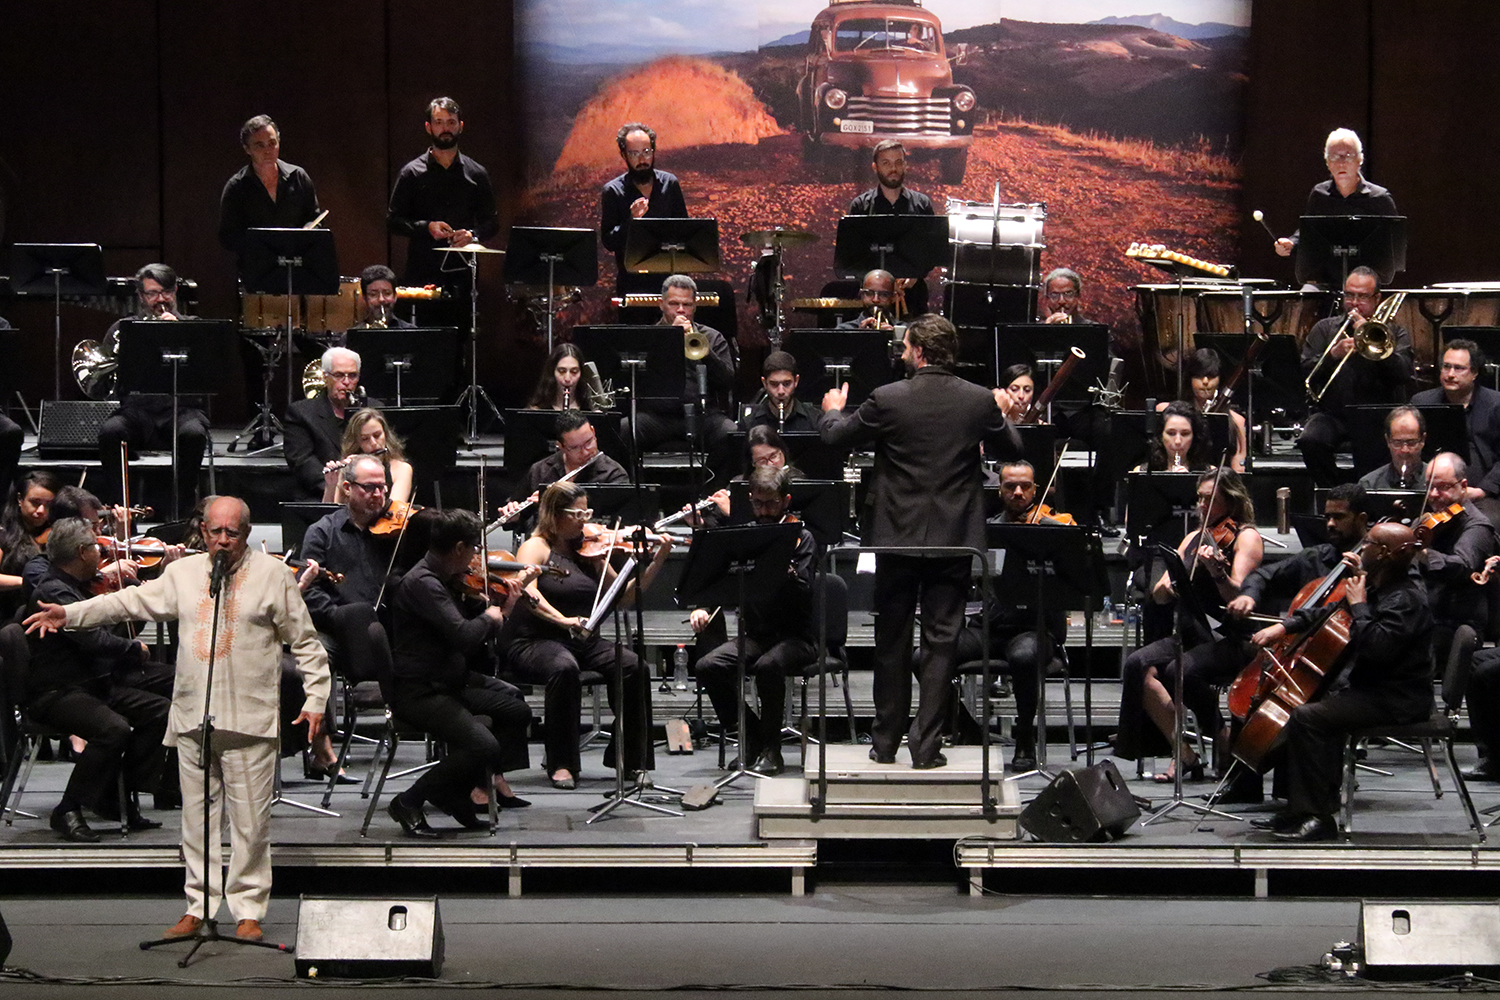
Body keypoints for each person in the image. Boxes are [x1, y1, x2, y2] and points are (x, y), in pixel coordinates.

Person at [25, 496, 331, 942]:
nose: (223, 541)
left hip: (249, 719)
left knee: (250, 823)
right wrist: (69, 613)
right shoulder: (184, 573)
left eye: (232, 533)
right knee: (197, 819)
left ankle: (247, 911)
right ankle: (199, 905)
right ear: (203, 531)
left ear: (247, 534)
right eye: (215, 532)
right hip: (193, 716)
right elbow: (129, 603)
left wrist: (317, 698)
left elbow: (306, 643)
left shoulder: (272, 577)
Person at [819, 314, 1021, 768]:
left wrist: (832, 406)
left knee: (891, 639)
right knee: (940, 642)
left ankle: (885, 742)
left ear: (920, 352)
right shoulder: (975, 401)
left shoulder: (888, 398)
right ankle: (927, 746)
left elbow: (834, 437)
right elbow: (1013, 452)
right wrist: (1002, 415)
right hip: (954, 540)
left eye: (907, 347)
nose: (903, 353)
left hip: (896, 538)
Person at [1248, 522, 1431, 841]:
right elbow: (1328, 612)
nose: (1362, 549)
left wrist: (1359, 606)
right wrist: (1285, 627)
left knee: (1309, 718)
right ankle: (1299, 810)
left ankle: (1319, 817)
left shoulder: (1406, 599)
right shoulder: (1377, 587)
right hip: (1372, 691)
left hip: (1398, 699)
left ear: (1384, 554)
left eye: (1369, 544)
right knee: (1309, 708)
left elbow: (1378, 649)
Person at [510, 482, 673, 788]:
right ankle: (562, 763)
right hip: (535, 639)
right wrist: (564, 621)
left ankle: (631, 760)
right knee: (564, 667)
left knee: (634, 667)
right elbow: (528, 593)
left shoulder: (590, 551)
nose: (586, 520)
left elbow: (624, 597)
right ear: (555, 514)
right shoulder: (536, 547)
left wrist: (658, 559)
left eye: (589, 512)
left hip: (581, 638)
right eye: (578, 513)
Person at [384, 509, 535, 836]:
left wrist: (502, 610)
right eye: (473, 548)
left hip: (448, 682)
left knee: (517, 711)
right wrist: (490, 617)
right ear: (457, 548)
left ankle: (451, 790)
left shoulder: (445, 579)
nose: (476, 556)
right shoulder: (424, 583)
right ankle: (409, 801)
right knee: (484, 746)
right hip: (419, 690)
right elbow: (465, 637)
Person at [1222, 482, 1375, 802]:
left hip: (1352, 659)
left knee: (1310, 699)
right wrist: (1250, 595)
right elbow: (1264, 575)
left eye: (1340, 517)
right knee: (1251, 691)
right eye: (1327, 516)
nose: (1330, 524)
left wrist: (1367, 578)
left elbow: (1364, 620)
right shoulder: (1315, 558)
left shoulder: (1377, 564)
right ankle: (1244, 786)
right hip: (1305, 654)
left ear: (1362, 519)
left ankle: (1300, 794)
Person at [23, 517, 171, 842]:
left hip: (91, 685)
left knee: (162, 712)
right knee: (112, 728)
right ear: (81, 551)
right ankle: (69, 807)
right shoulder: (53, 592)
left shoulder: (80, 585)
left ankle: (113, 794)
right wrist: (134, 648)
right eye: (96, 545)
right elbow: (93, 639)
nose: (101, 551)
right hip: (56, 692)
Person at [1112, 469, 1263, 778]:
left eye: (1211, 499)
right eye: (1200, 498)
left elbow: (1239, 597)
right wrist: (1171, 584)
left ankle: (1221, 737)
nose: (1201, 506)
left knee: (1176, 670)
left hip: (1232, 636)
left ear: (1230, 501)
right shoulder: (1194, 537)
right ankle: (1183, 752)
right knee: (1137, 664)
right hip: (1196, 632)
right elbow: (1160, 594)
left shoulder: (1247, 538)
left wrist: (1217, 571)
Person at [689, 465, 817, 776]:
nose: (764, 511)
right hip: (757, 634)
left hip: (797, 637)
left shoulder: (801, 537)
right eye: (758, 503)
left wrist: (784, 574)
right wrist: (705, 605)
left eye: (771, 503)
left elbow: (806, 592)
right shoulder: (745, 536)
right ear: (750, 499)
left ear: (785, 500)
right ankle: (752, 736)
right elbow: (723, 577)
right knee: (708, 666)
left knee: (768, 666)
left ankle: (772, 749)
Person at [954, 461, 1073, 770]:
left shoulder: (1052, 530)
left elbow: (1075, 574)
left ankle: (1024, 737)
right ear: (1000, 489)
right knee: (925, 655)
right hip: (992, 626)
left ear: (1035, 489)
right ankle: (967, 727)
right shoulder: (988, 531)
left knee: (1023, 656)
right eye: (1010, 486)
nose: (1018, 492)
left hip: (1035, 629)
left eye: (1025, 486)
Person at [95, 264, 210, 516]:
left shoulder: (195, 326)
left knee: (193, 433)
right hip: (138, 411)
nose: (160, 299)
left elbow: (207, 374)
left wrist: (176, 332)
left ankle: (181, 513)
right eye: (152, 293)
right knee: (110, 432)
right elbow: (108, 381)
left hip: (183, 410)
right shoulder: (124, 329)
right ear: (141, 297)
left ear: (176, 291)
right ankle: (122, 512)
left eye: (166, 291)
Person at [1297, 266, 1413, 486]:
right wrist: (1332, 355)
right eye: (1349, 295)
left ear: (1377, 298)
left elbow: (1403, 373)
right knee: (1311, 440)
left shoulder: (1394, 332)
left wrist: (1374, 344)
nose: (1354, 302)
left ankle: (1367, 498)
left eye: (1362, 296)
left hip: (1377, 414)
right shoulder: (1324, 329)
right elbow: (1305, 372)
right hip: (1333, 413)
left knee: (1374, 453)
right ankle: (1333, 491)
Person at [621, 275, 737, 480]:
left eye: (687, 304)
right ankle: (636, 493)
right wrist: (668, 340)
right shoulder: (648, 337)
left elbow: (727, 381)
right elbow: (637, 381)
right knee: (624, 429)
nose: (681, 310)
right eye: (674, 303)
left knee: (730, 432)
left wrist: (705, 352)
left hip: (701, 415)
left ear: (695, 307)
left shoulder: (712, 337)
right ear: (662, 304)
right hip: (657, 417)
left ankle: (713, 494)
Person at [387, 97, 499, 288]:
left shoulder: (477, 173)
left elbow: (492, 222)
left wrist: (472, 234)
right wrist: (427, 227)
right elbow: (393, 221)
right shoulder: (411, 172)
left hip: (462, 272)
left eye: (451, 122)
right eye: (439, 122)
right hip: (422, 268)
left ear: (460, 126)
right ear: (428, 127)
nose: (445, 128)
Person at [217, 114, 321, 278]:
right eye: (259, 145)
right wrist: (262, 245)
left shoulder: (298, 176)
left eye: (272, 143)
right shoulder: (237, 187)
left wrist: (307, 231)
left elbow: (314, 218)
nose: (268, 150)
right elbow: (228, 236)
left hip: (297, 269)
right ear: (247, 149)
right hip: (257, 272)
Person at [1274, 129, 1399, 259]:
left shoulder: (1379, 198)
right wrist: (1291, 243)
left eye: (1348, 156)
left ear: (1360, 159)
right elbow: (1308, 232)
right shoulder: (1319, 194)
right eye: (1334, 157)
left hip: (1366, 275)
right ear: (1327, 162)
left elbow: (1394, 245)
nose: (1341, 163)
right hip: (1327, 275)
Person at [499, 411, 630, 530]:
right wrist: (513, 516)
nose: (585, 451)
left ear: (593, 431)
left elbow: (617, 525)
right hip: (546, 547)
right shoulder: (540, 470)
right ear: (561, 446)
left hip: (593, 549)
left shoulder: (614, 474)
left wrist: (554, 504)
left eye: (588, 442)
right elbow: (520, 516)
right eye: (575, 448)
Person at [600, 122, 687, 288]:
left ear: (653, 151)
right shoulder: (613, 191)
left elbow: (684, 230)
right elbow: (609, 242)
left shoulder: (670, 183)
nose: (642, 160)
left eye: (646, 152)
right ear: (624, 155)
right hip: (633, 282)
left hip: (670, 281)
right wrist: (631, 220)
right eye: (634, 154)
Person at [1412, 339, 1500, 502]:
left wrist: (1483, 490)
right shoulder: (1421, 402)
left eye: (1459, 368)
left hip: (1486, 494)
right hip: (1433, 492)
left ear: (1474, 373)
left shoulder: (1496, 405)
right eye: (1446, 366)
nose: (1450, 374)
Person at [284, 347, 369, 499]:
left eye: (352, 376)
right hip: (320, 494)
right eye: (339, 375)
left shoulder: (374, 409)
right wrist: (339, 489)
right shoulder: (301, 413)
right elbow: (302, 461)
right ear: (325, 377)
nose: (346, 382)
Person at [1156, 349, 1247, 473]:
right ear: (1190, 378)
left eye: (1211, 376)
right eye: (1198, 376)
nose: (1205, 381)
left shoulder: (1237, 421)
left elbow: (1238, 469)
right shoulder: (1165, 411)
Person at [0, 470, 62, 618]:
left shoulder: (56, 532)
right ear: (20, 499)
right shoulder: (3, 534)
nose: (41, 511)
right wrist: (29, 580)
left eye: (48, 505)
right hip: (13, 613)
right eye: (35, 503)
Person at [321, 408, 413, 505]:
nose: (373, 443)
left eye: (377, 435)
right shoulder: (348, 467)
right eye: (365, 439)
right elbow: (331, 516)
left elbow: (393, 513)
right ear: (357, 442)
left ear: (385, 435)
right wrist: (332, 485)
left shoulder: (402, 469)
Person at [847, 140, 935, 216]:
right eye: (886, 163)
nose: (893, 168)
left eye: (898, 162)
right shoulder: (860, 206)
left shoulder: (922, 204)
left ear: (905, 165)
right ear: (875, 167)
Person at [741, 351, 819, 434]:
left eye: (787, 384)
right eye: (774, 384)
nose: (781, 391)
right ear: (764, 383)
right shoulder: (748, 424)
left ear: (796, 381)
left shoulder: (814, 420)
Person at [1357, 406, 1426, 490]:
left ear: (1422, 440)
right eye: (1397, 442)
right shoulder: (1369, 484)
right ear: (1388, 441)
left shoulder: (1438, 483)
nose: (1405, 450)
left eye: (1411, 442)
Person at [1137, 401, 1212, 473]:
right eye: (1171, 433)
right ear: (1161, 436)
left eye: (1185, 434)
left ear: (1194, 436)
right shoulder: (1141, 472)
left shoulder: (1211, 473)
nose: (1178, 441)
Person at [527, 344, 594, 411]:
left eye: (574, 371)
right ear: (552, 372)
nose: (567, 378)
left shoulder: (590, 410)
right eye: (562, 371)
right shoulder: (537, 411)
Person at [354, 264, 413, 329]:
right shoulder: (352, 336)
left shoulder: (411, 332)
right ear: (365, 298)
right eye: (373, 294)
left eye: (387, 293)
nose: (381, 299)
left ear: (395, 296)